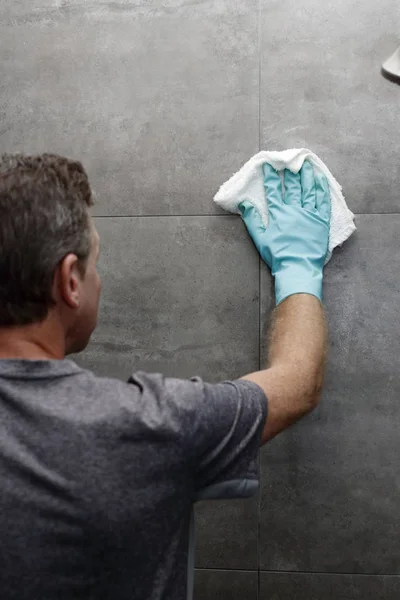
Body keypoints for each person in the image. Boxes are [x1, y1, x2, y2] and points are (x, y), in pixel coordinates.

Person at [0, 153, 330, 600]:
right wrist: (298, 267)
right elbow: (298, 382)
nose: (99, 279)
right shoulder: (147, 425)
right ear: (70, 283)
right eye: (94, 263)